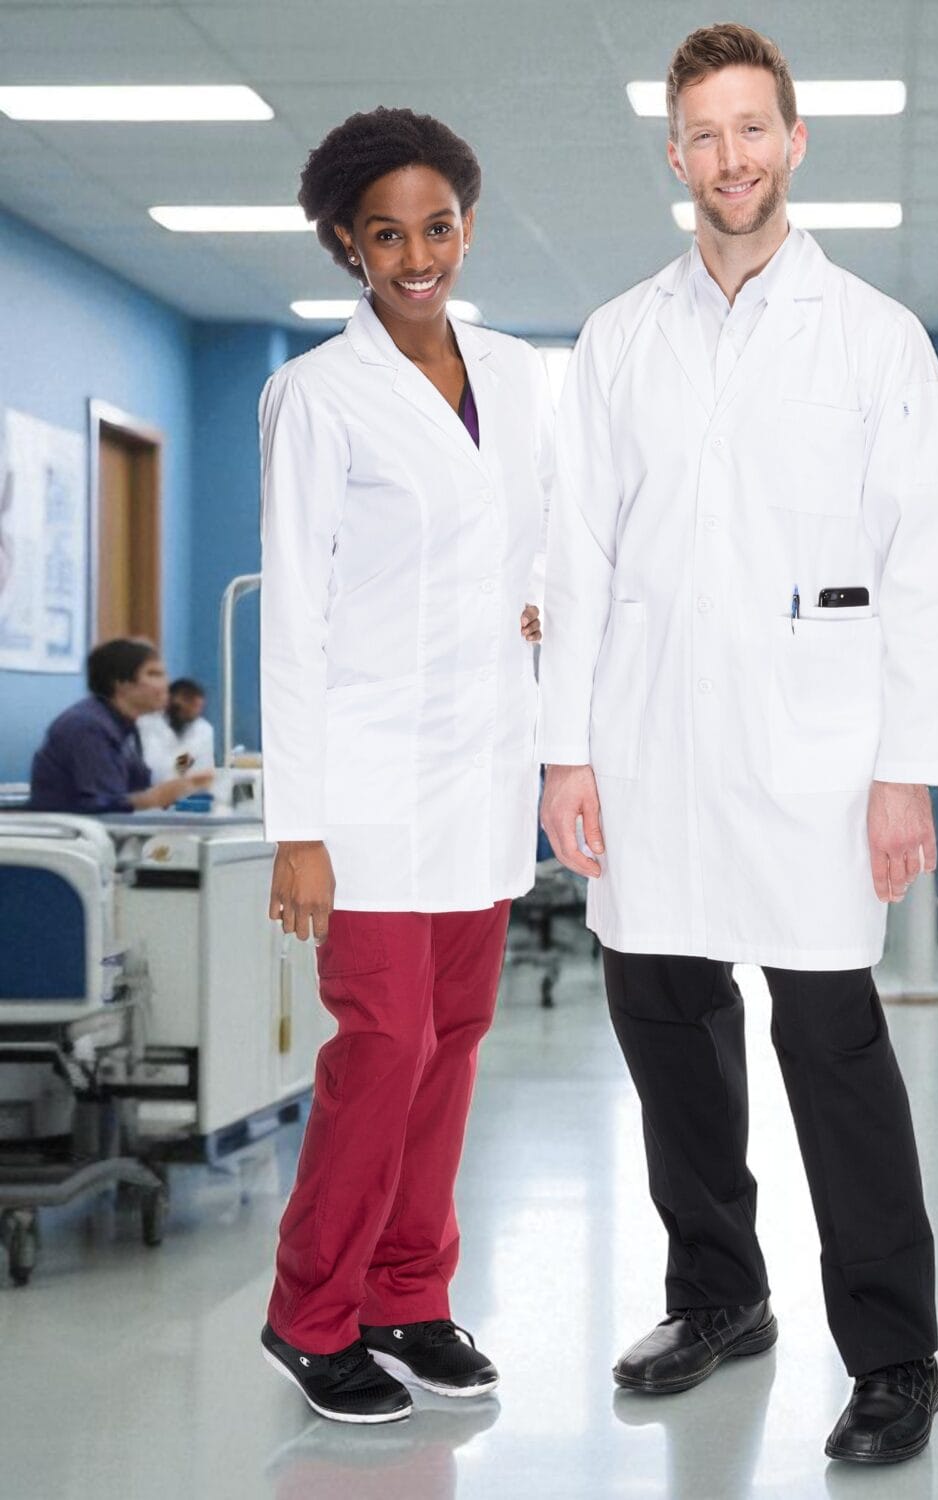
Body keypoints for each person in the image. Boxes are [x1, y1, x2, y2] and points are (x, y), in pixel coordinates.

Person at [537, 24, 938, 1466]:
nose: (730, 158)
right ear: (677, 156)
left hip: (816, 749)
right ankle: (720, 1294)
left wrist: (906, 765)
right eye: (703, 135)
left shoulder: (875, 337)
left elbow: (919, 569)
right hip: (649, 740)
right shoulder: (616, 338)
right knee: (666, 1025)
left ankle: (895, 1356)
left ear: (795, 141)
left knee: (833, 1044)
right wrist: (565, 752)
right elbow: (578, 558)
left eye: (752, 130)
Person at [257, 107, 551, 1426]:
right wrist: (299, 823)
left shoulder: (519, 376)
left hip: (483, 768)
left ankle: (407, 1297)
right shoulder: (317, 395)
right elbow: (298, 620)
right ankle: (310, 1311)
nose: (418, 252)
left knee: (458, 1041)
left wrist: (543, 614)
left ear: (467, 226)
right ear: (348, 245)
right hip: (366, 778)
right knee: (385, 1042)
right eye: (389, 234)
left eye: (438, 226)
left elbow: (539, 543)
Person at [29, 639, 214, 813]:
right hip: (77, 839)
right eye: (153, 674)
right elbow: (101, 806)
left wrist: (177, 789)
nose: (165, 684)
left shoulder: (125, 727)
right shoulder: (88, 727)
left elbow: (136, 787)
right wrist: (155, 797)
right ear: (120, 682)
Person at [137, 676, 216, 785]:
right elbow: (153, 768)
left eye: (198, 707)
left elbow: (200, 771)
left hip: (189, 796)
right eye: (188, 703)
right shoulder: (146, 723)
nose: (194, 713)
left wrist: (179, 767)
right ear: (169, 700)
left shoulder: (203, 730)